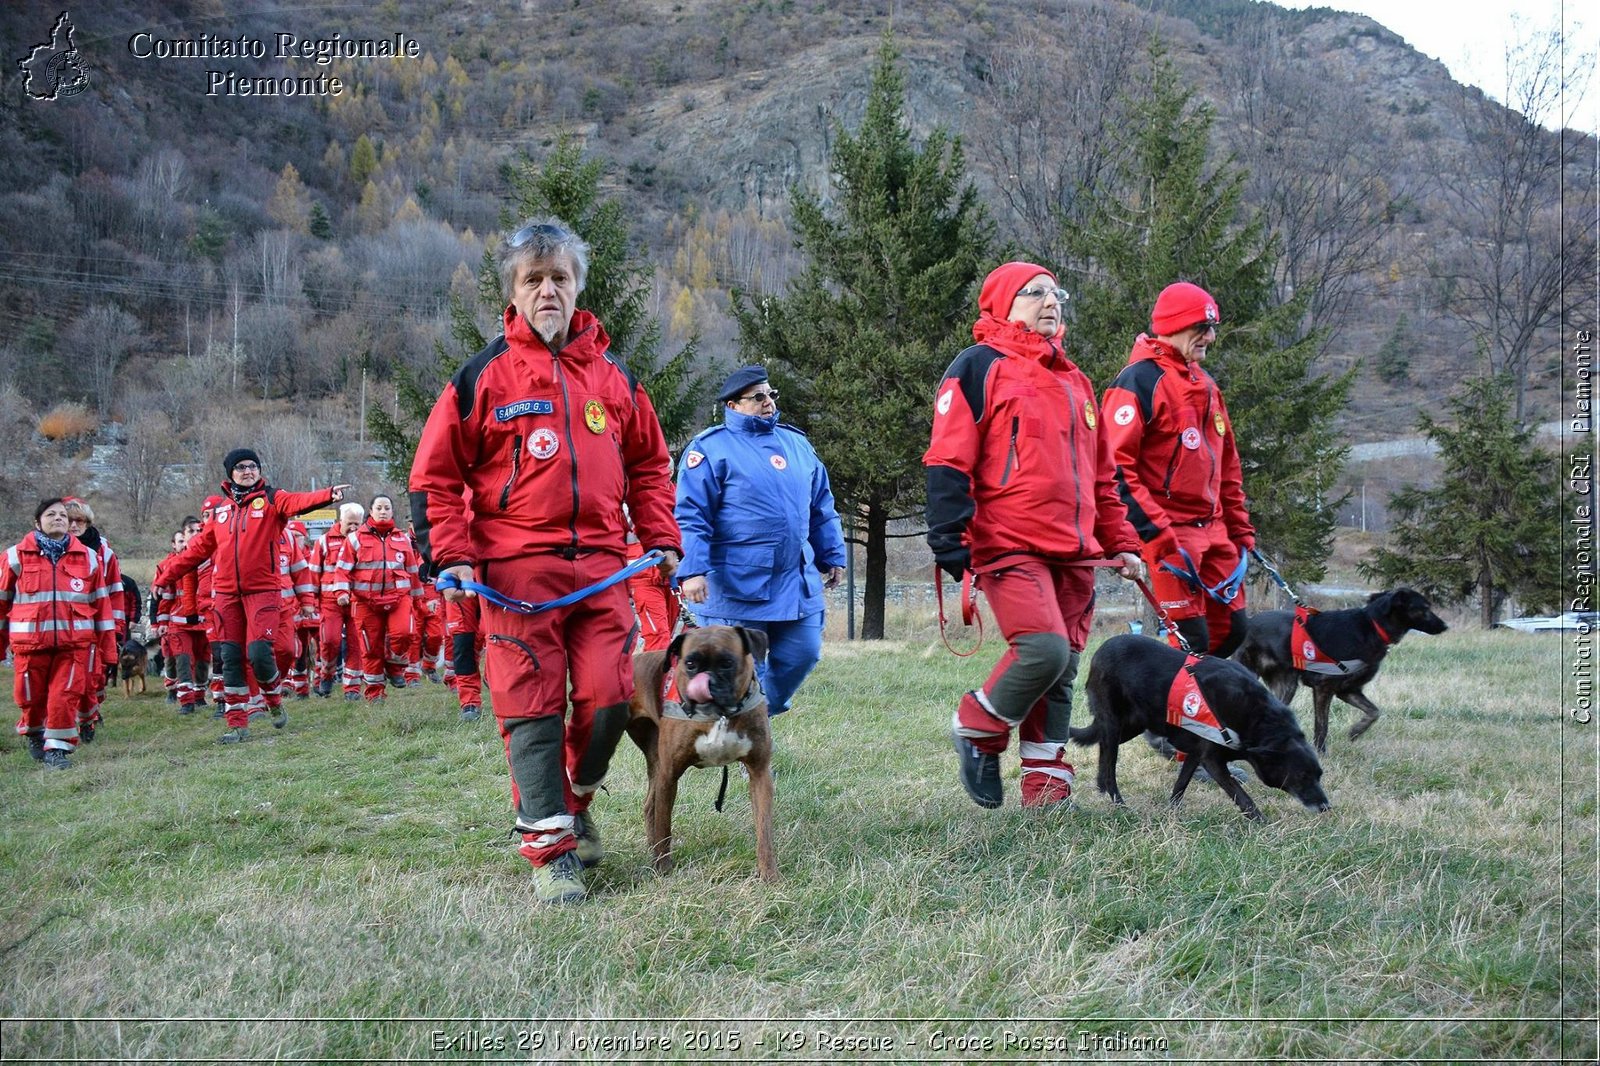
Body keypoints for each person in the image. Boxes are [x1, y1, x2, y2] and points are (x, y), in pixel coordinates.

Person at [409, 216, 681, 904]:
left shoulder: (616, 379)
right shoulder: (482, 377)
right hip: (513, 576)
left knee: (612, 696)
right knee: (530, 706)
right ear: (514, 292)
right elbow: (435, 477)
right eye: (534, 279)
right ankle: (551, 852)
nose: (548, 290)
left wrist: (659, 538)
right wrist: (453, 554)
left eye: (559, 277)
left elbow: (650, 466)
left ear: (577, 286)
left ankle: (577, 797)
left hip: (602, 568)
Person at [924, 261, 1145, 810]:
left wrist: (1122, 543)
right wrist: (948, 535)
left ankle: (1045, 785)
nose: (1051, 302)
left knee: (1065, 665)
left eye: (1056, 293)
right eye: (1035, 293)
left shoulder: (1076, 380)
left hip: (1074, 550)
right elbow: (948, 455)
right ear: (1001, 303)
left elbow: (1102, 477)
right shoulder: (977, 366)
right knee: (1042, 651)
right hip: (1007, 539)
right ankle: (978, 727)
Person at [675, 365, 847, 719]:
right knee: (744, 666)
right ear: (734, 405)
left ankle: (755, 715)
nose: (768, 402)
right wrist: (691, 570)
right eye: (758, 397)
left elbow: (821, 506)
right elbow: (691, 515)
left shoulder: (797, 444)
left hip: (795, 581)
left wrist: (832, 554)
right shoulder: (710, 449)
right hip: (738, 586)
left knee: (805, 651)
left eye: (771, 394)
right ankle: (745, 731)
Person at [1100, 281, 1256, 658]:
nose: (1211, 337)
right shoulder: (1139, 380)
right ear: (1175, 325)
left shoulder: (1207, 384)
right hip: (1168, 531)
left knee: (1233, 631)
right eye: (1202, 328)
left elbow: (1227, 467)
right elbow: (1114, 466)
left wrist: (1239, 530)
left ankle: (1205, 709)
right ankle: (1179, 713)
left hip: (1216, 530)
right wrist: (1153, 530)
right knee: (1191, 641)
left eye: (1211, 328)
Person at [154, 448, 346, 743]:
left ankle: (273, 700)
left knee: (258, 654)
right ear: (230, 474)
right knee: (230, 658)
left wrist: (327, 494)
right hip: (227, 596)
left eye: (253, 466)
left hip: (263, 592)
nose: (248, 471)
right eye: (241, 467)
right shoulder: (220, 513)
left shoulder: (270, 499)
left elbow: (297, 501)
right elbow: (195, 552)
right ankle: (237, 724)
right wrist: (165, 576)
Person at [1, 498, 118, 770]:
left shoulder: (88, 558)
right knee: (29, 697)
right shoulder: (14, 556)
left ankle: (58, 750)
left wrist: (107, 650)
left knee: (65, 695)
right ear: (37, 522)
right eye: (51, 514)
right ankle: (33, 732)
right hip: (30, 646)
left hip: (73, 646)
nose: (59, 519)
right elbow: (1, 604)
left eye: (63, 515)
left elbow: (101, 606)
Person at [338, 494, 421, 702]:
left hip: (398, 599)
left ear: (392, 512)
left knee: (404, 634)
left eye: (387, 508)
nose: (383, 511)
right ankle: (375, 693)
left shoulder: (402, 539)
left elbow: (412, 572)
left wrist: (420, 600)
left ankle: (394, 666)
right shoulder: (355, 539)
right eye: (379, 508)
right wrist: (341, 593)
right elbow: (342, 570)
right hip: (366, 603)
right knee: (371, 648)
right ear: (371, 511)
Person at [310, 502, 364, 699]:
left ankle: (352, 688)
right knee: (330, 641)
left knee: (356, 644)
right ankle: (326, 674)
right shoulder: (323, 541)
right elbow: (313, 573)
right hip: (329, 602)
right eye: (350, 523)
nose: (353, 528)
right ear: (340, 521)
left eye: (357, 524)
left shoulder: (364, 541)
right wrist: (311, 601)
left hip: (357, 601)